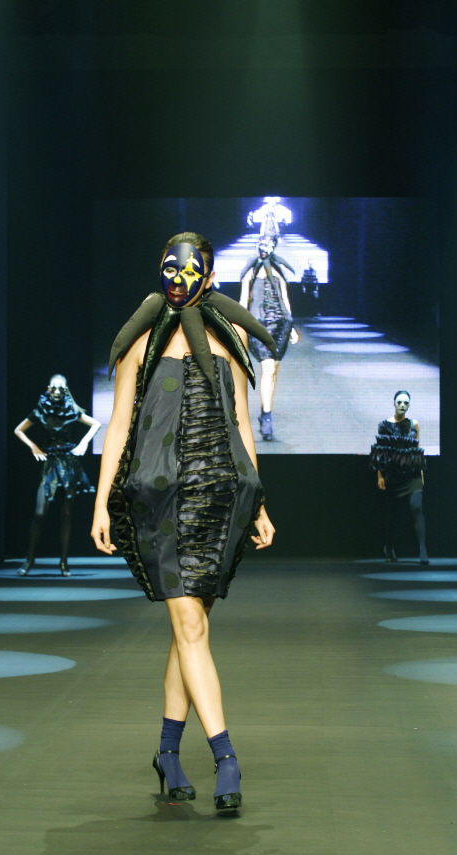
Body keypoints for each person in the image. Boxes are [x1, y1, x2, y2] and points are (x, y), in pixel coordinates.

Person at [90, 232, 276, 811]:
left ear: (210, 276)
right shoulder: (141, 337)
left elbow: (241, 421)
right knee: (191, 627)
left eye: (190, 270)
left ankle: (168, 754)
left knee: (188, 632)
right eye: (170, 267)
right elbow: (119, 425)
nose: (178, 278)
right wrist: (101, 502)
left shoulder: (230, 337)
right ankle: (226, 756)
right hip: (159, 498)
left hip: (218, 498)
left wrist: (258, 501)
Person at [14, 375, 101, 577]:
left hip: (69, 463)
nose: (57, 391)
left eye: (61, 389)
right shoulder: (41, 410)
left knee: (67, 514)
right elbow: (18, 430)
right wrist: (33, 446)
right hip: (50, 463)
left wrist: (84, 443)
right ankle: (29, 559)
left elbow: (96, 424)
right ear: (48, 389)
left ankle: (63, 562)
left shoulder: (71, 409)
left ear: (65, 390)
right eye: (54, 388)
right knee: (40, 513)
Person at [239, 236, 299, 441]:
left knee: (273, 371)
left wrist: (291, 327)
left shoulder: (278, 271)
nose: (264, 249)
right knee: (267, 368)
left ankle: (266, 410)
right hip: (258, 325)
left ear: (273, 248)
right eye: (261, 245)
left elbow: (284, 300)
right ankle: (267, 418)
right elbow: (243, 303)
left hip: (280, 326)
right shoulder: (250, 272)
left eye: (268, 245)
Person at [370, 390, 428, 564]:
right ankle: (388, 546)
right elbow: (380, 452)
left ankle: (423, 549)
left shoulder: (414, 424)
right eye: (399, 402)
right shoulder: (384, 425)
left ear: (409, 405)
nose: (402, 405)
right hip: (393, 474)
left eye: (406, 403)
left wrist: (421, 474)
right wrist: (380, 476)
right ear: (394, 404)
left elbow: (417, 451)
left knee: (416, 506)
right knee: (391, 513)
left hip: (412, 474)